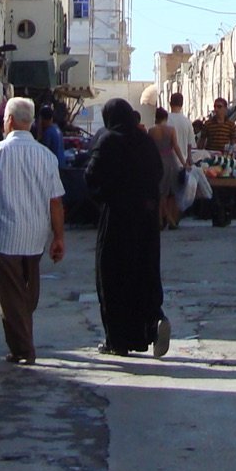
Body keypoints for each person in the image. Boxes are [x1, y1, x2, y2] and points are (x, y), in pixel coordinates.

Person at [0, 96, 66, 365]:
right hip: (35, 236)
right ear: (29, 122)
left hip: (6, 236)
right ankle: (22, 340)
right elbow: (56, 201)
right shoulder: (46, 157)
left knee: (11, 295)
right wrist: (58, 237)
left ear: (8, 120)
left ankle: (24, 349)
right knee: (26, 293)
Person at [85, 98, 170, 357]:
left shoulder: (108, 140)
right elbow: (157, 173)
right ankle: (151, 324)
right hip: (146, 221)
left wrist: (105, 198)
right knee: (144, 273)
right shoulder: (144, 141)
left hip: (118, 221)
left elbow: (91, 175)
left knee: (113, 278)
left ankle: (118, 341)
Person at [149, 106, 181, 229]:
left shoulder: (151, 131)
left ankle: (160, 221)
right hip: (170, 161)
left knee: (159, 191)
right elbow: (176, 147)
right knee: (170, 192)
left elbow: (150, 149)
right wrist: (184, 163)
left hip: (156, 161)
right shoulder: (171, 130)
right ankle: (171, 219)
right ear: (165, 118)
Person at [165, 91, 196, 216]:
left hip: (168, 160)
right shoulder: (187, 122)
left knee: (167, 193)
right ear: (182, 104)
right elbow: (190, 145)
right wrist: (188, 160)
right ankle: (175, 217)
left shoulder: (166, 119)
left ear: (170, 103)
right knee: (179, 192)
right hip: (182, 162)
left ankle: (167, 217)